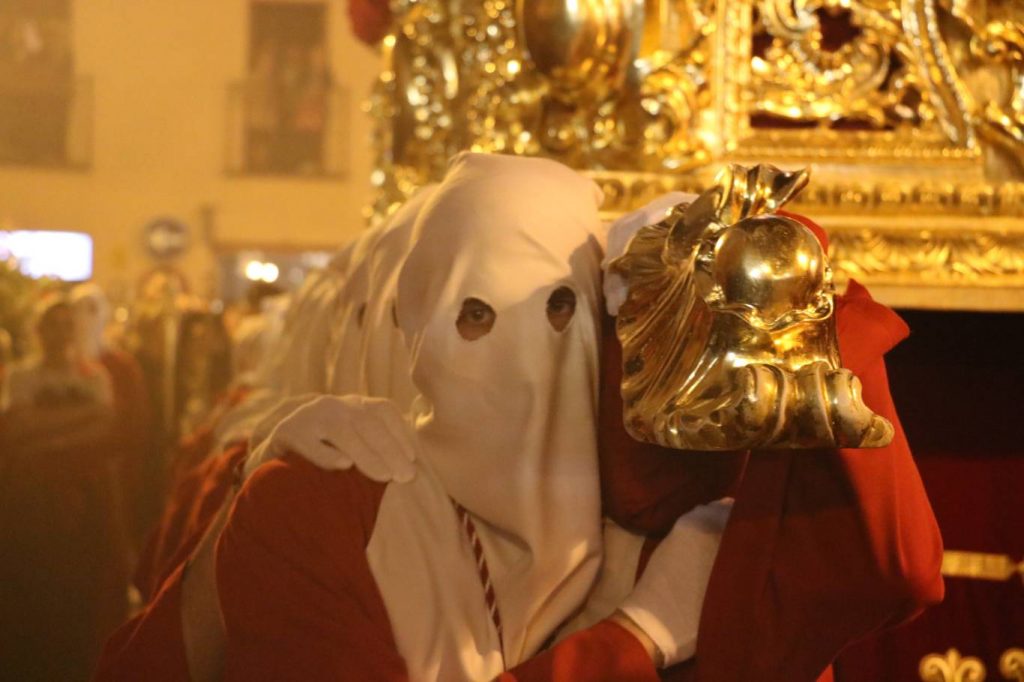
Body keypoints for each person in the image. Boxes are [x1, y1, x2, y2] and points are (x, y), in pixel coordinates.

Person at [0, 295, 124, 681]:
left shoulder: (96, 376)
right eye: (51, 325)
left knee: (77, 587)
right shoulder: (21, 377)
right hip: (30, 503)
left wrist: (47, 429)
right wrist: (76, 422)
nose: (60, 333)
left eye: (66, 325)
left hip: (83, 502)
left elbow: (105, 426)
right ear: (37, 331)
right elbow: (18, 429)